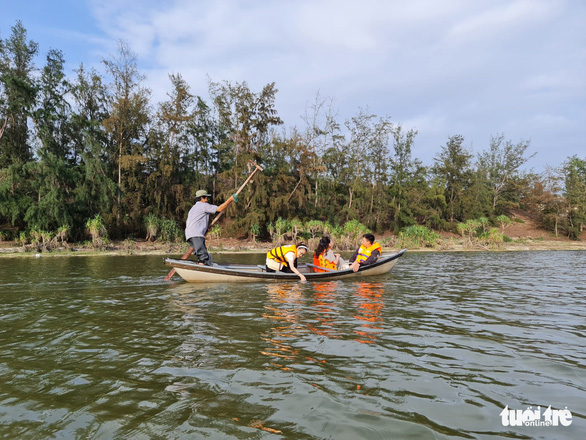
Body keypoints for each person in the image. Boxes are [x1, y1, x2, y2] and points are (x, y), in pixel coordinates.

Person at [185, 189, 237, 266]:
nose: (207, 199)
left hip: (189, 235)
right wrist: (230, 199)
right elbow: (220, 208)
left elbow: (195, 221)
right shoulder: (203, 205)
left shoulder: (193, 208)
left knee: (201, 254)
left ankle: (203, 266)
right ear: (201, 198)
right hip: (196, 234)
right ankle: (201, 271)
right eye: (206, 197)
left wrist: (206, 228)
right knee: (203, 256)